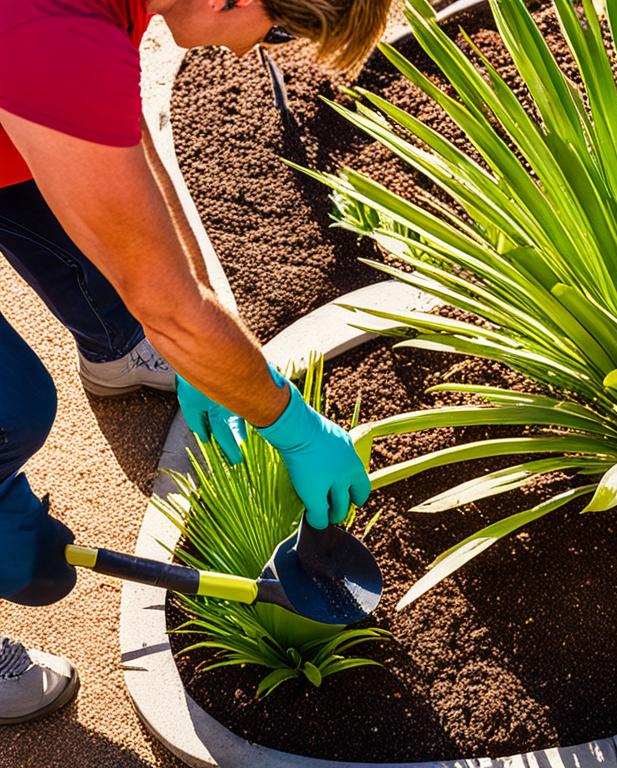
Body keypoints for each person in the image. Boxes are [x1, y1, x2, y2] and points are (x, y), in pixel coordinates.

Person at [0, 0, 391, 725]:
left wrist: (203, 338)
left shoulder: (87, 29)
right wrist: (288, 420)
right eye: (273, 34)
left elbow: (114, 126)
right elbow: (165, 298)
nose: (249, 56)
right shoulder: (56, 37)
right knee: (11, 411)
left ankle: (119, 354)